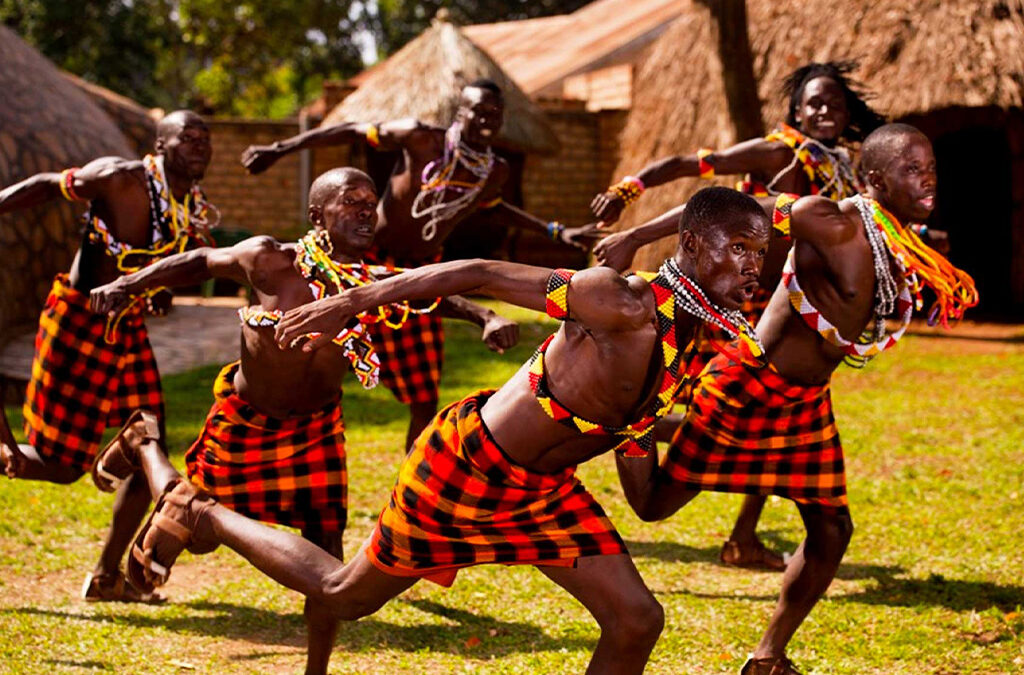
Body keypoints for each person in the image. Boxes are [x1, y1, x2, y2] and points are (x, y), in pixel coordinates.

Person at [91, 186, 771, 675]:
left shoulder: (697, 335)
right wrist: (355, 299)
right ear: (689, 243)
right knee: (345, 594)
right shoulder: (618, 300)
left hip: (543, 491)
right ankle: (202, 510)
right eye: (738, 247)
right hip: (466, 466)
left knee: (637, 620)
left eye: (760, 253)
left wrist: (707, 454)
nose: (751, 265)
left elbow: (643, 480)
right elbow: (480, 271)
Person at [89, 167, 518, 674]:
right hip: (245, 423)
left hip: (317, 432)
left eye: (371, 203)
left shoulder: (368, 283)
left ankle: (316, 670)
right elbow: (199, 260)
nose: (366, 212)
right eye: (351, 202)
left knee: (327, 555)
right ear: (317, 215)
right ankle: (143, 441)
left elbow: (431, 291)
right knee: (200, 537)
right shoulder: (269, 260)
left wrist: (486, 316)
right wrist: (129, 282)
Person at [615, 124, 977, 675]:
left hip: (807, 401)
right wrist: (635, 236)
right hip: (749, 386)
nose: (927, 181)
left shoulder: (901, 241)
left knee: (832, 530)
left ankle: (767, 657)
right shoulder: (826, 220)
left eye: (930, 170)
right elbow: (720, 215)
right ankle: (625, 424)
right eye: (912, 170)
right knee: (653, 506)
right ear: (876, 180)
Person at [592, 61, 887, 571]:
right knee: (714, 410)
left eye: (835, 104)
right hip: (734, 304)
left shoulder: (840, 168)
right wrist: (629, 198)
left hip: (786, 307)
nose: (825, 112)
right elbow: (694, 176)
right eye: (814, 103)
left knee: (773, 420)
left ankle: (741, 537)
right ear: (796, 111)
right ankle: (607, 428)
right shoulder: (778, 152)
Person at [241, 79, 597, 449]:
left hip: (423, 273)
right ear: (460, 112)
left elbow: (492, 207)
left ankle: (413, 475)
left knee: (424, 394)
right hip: (366, 264)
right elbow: (351, 130)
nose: (486, 120)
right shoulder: (421, 139)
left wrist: (554, 231)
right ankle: (276, 430)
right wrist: (279, 149)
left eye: (494, 113)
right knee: (315, 363)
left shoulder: (494, 171)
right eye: (478, 111)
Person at [0, 110, 215, 602]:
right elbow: (46, 184)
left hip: (128, 329)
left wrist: (161, 290)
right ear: (161, 145)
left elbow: (163, 263)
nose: (200, 146)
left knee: (149, 449)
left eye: (205, 139)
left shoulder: (190, 205)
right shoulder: (120, 179)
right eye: (188, 137)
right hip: (77, 323)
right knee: (60, 465)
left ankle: (105, 577)